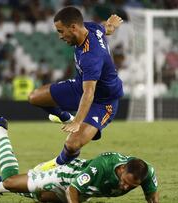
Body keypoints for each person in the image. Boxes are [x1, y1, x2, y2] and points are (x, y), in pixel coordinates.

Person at [0, 117, 159, 203]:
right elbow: (73, 189)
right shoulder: (103, 166)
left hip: (84, 191)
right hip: (66, 176)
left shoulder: (146, 173)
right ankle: (0, 130)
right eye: (125, 182)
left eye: (132, 186)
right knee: (11, 182)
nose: (126, 187)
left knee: (42, 197)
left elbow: (152, 198)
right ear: (122, 169)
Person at [28, 6, 124, 170]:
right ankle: (66, 117)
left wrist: (78, 122)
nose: (60, 36)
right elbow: (106, 28)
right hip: (80, 86)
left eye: (61, 31)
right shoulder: (91, 28)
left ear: (73, 27)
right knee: (35, 97)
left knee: (72, 144)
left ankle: (56, 164)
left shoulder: (91, 56)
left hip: (103, 102)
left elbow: (90, 93)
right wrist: (112, 24)